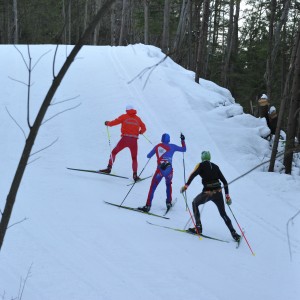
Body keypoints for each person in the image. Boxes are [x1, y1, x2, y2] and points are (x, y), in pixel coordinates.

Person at [180, 151, 241, 242]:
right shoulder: (216, 167)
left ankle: (198, 227)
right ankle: (234, 233)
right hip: (218, 193)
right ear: (209, 157)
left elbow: (193, 175)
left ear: (202, 158)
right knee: (223, 213)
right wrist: (227, 196)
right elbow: (224, 182)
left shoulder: (200, 165)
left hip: (208, 193)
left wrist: (186, 186)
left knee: (194, 203)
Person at [138, 133, 186, 212]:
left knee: (153, 187)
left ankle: (148, 206)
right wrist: (182, 140)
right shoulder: (172, 146)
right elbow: (184, 149)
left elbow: (148, 156)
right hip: (169, 171)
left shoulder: (157, 146)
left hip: (160, 171)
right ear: (169, 140)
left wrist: (156, 153)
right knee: (168, 185)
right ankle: (168, 203)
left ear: (161, 139)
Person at [100, 105, 146, 181]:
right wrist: (141, 132)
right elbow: (144, 127)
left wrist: (107, 123)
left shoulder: (124, 116)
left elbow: (113, 123)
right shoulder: (138, 119)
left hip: (125, 139)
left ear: (127, 110)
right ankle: (135, 175)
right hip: (134, 141)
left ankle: (109, 168)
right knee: (134, 158)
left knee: (114, 152)